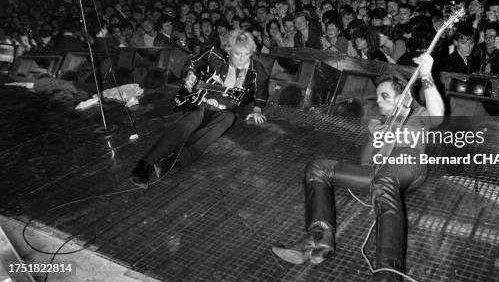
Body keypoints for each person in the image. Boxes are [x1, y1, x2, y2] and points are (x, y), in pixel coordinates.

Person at [271, 53, 444, 282]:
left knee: (384, 181)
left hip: (410, 163)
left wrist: (426, 76)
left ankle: (389, 272)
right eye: (378, 97)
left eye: (385, 96)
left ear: (403, 96)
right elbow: (366, 165)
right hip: (381, 173)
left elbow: (438, 116)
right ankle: (318, 237)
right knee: (318, 167)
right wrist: (376, 138)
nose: (379, 102)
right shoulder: (381, 124)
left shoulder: (418, 113)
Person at [129, 30, 269, 188]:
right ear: (229, 50)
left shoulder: (255, 70)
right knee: (194, 117)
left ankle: (175, 161)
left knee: (229, 118)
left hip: (220, 111)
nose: (242, 59)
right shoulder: (215, 56)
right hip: (198, 103)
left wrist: (257, 108)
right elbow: (192, 62)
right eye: (237, 54)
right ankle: (144, 166)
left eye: (246, 55)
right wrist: (189, 73)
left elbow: (262, 88)